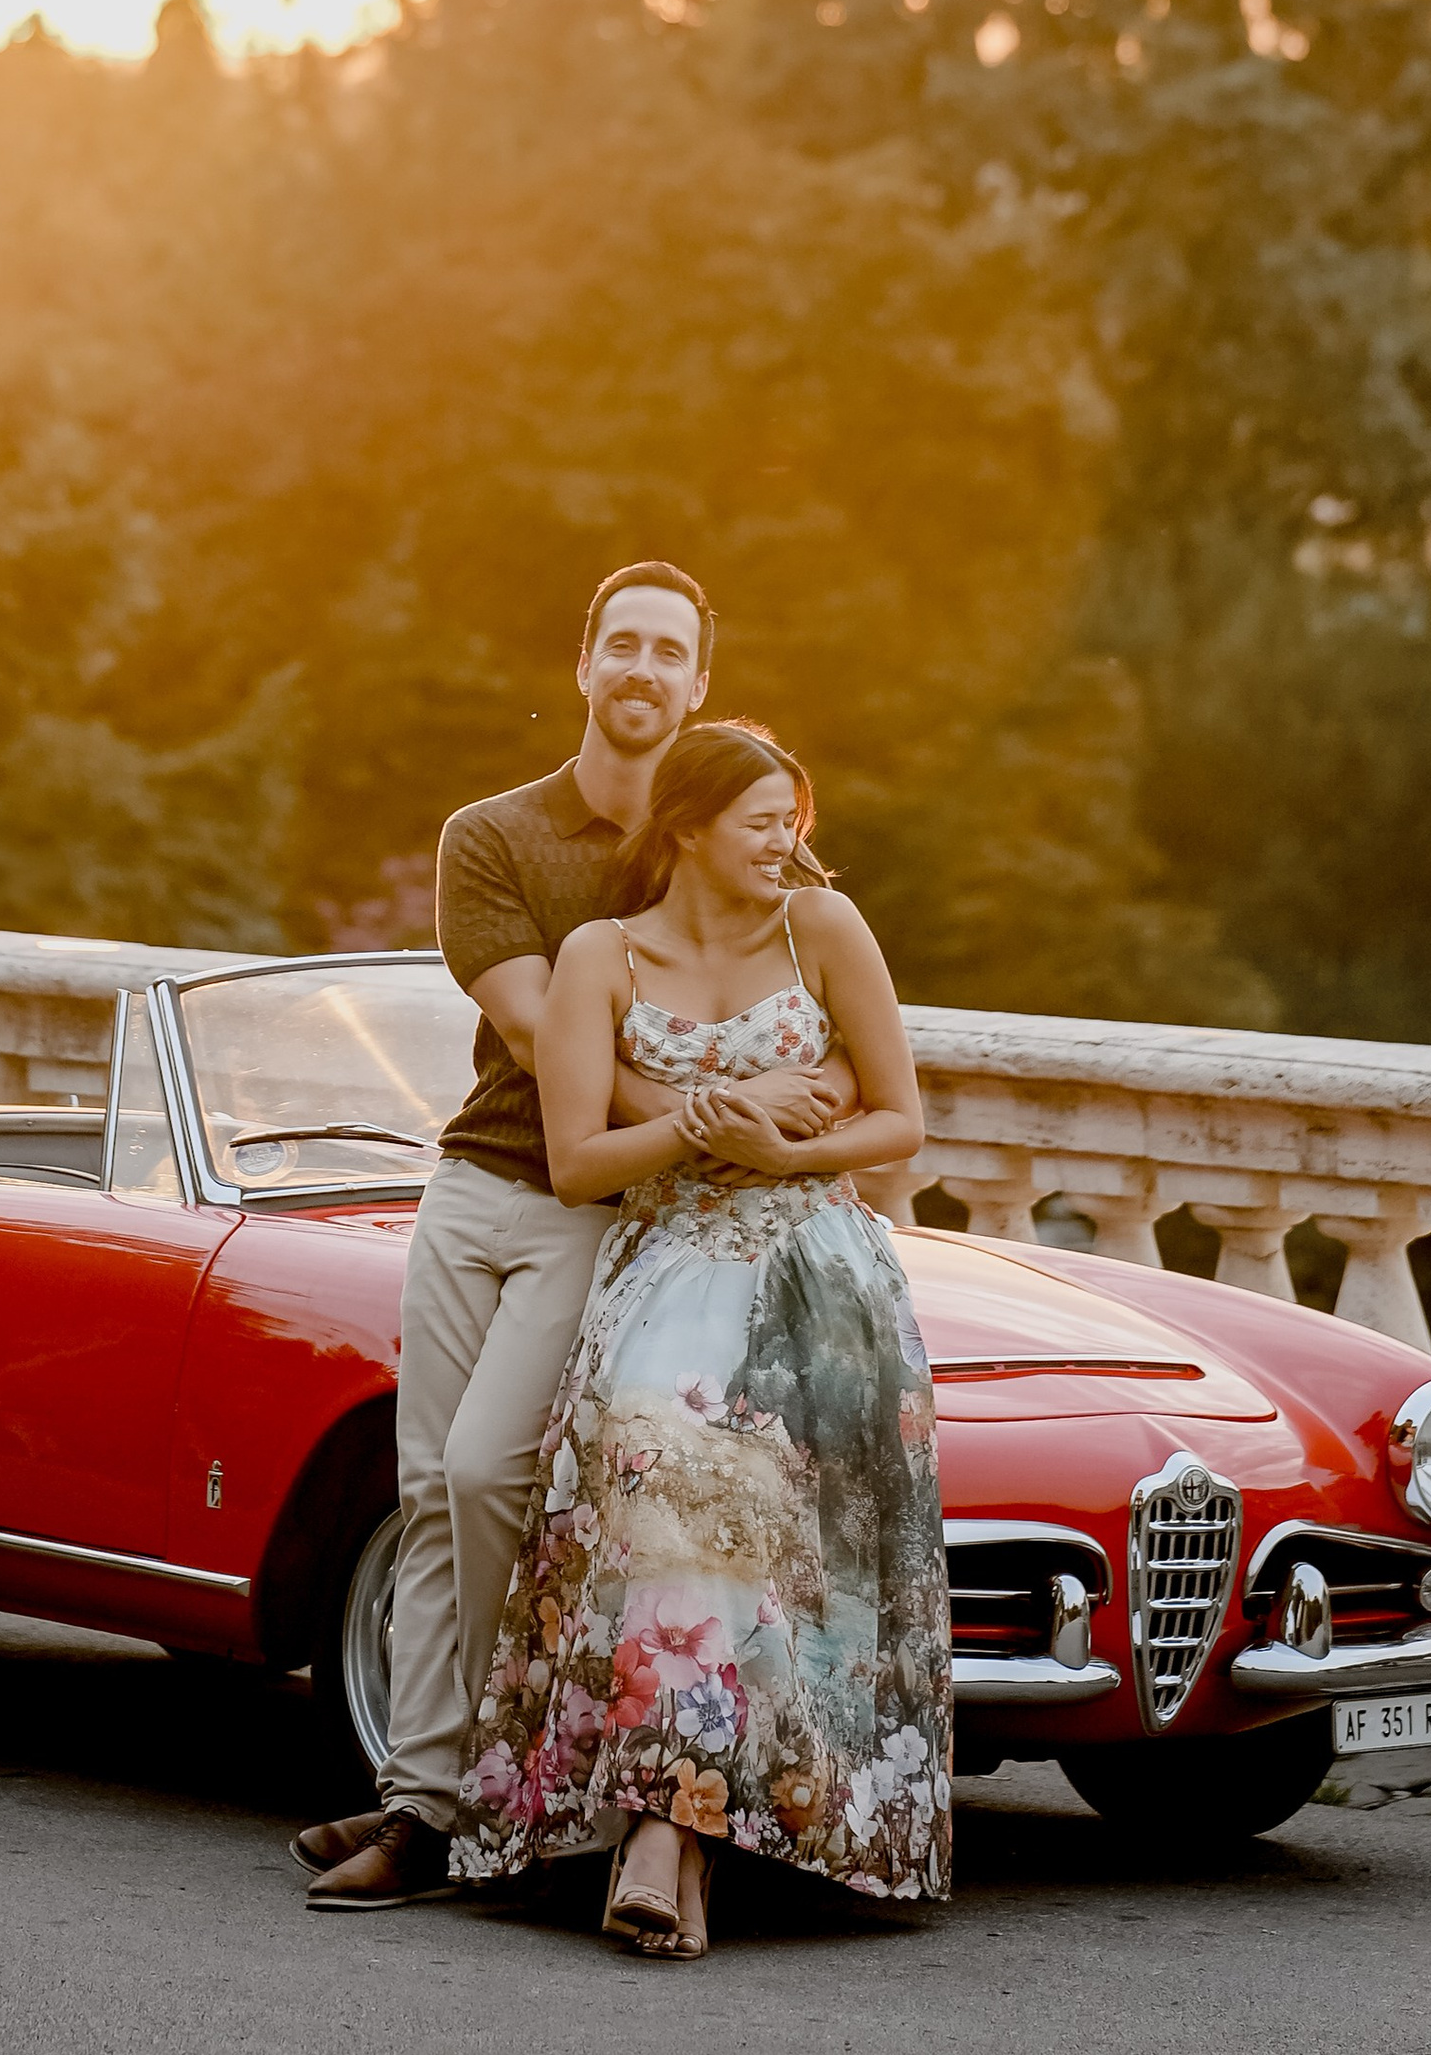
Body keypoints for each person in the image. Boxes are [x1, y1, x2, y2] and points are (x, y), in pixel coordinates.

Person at [298, 568, 849, 1910]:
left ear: (700, 682)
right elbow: (558, 1038)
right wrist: (721, 1110)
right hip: (477, 1181)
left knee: (487, 1473)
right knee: (431, 1483)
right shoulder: (489, 836)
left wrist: (776, 1111)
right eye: (625, 644)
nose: (645, 667)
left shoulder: (725, 836)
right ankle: (424, 1799)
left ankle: (486, 1791)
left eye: (673, 650)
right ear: (587, 660)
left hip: (592, 1208)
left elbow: (817, 1015)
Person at [448, 720, 949, 1957]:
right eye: (764, 820)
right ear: (687, 827)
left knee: (786, 1551)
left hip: (824, 1282)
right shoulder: (598, 955)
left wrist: (790, 1149)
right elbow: (574, 1163)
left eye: (795, 818)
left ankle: (689, 1838)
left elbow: (899, 1118)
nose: (790, 842)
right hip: (668, 1265)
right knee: (666, 1507)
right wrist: (699, 1128)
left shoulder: (824, 930)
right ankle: (668, 1825)